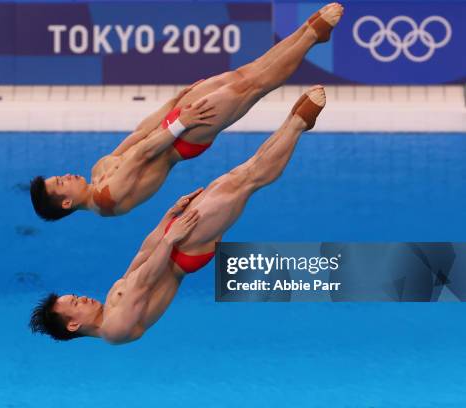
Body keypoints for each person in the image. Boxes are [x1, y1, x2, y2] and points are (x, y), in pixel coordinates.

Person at [29, 86, 327, 344]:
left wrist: (166, 220)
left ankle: (296, 122)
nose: (83, 298)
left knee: (237, 178)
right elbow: (147, 280)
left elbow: (140, 259)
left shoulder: (110, 303)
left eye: (76, 297)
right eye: (77, 304)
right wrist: (171, 239)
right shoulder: (115, 330)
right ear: (73, 324)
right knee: (246, 180)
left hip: (176, 239)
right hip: (182, 249)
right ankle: (298, 122)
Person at [30, 3, 343, 220]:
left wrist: (172, 104)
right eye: (61, 183)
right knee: (255, 87)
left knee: (246, 73)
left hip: (174, 122)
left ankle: (309, 29)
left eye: (59, 176)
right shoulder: (106, 199)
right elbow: (143, 155)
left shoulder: (98, 169)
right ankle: (313, 36)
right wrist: (181, 121)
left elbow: (139, 135)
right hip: (182, 139)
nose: (66, 175)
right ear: (67, 202)